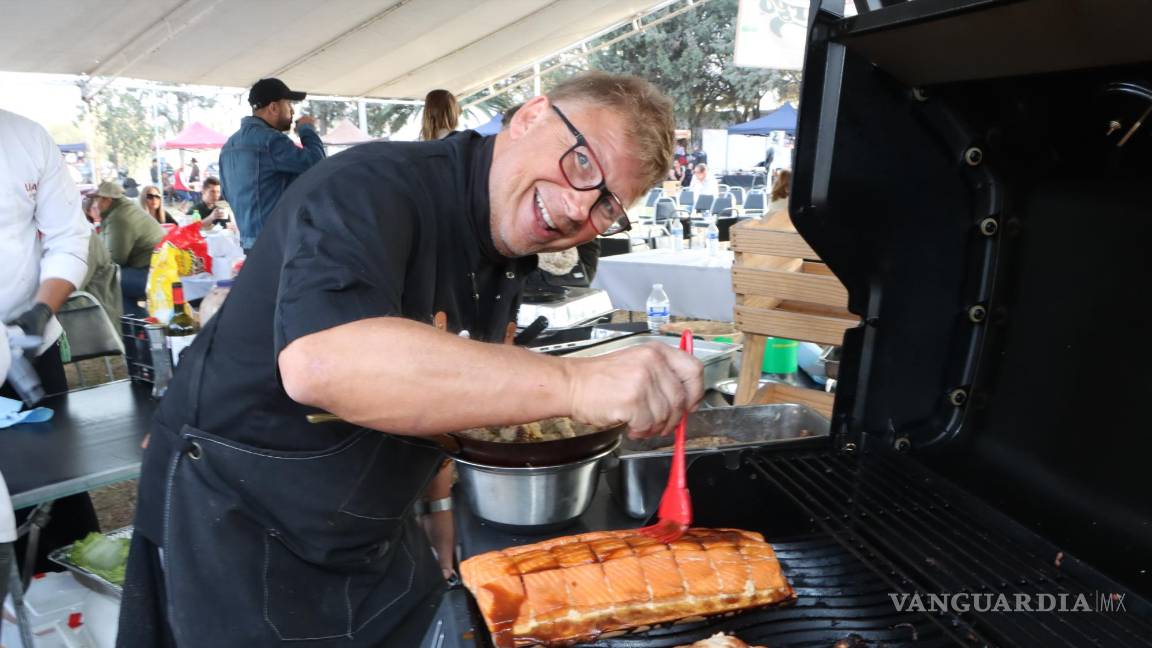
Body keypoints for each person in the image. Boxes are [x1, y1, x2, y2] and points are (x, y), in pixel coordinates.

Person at [117, 71, 703, 647]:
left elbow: (452, 378)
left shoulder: (506, 235)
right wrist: (575, 384)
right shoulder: (372, 186)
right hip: (239, 530)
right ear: (530, 117)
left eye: (607, 205)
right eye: (582, 164)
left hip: (371, 531)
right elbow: (324, 363)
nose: (581, 210)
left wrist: (439, 508)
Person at [0, 108, 101, 573]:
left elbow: (69, 236)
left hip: (31, 349)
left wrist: (41, 310)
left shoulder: (26, 137)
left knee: (58, 495)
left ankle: (69, 608)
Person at [219, 77, 326, 252]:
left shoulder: (228, 147)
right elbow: (317, 164)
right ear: (274, 107)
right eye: (288, 104)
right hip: (278, 243)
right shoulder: (270, 140)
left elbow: (227, 194)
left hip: (249, 243)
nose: (292, 110)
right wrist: (306, 130)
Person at [93, 180, 165, 317]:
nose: (95, 204)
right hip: (155, 270)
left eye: (97, 199)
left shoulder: (120, 217)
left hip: (152, 274)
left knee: (106, 281)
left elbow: (115, 259)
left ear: (107, 200)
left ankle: (140, 327)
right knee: (114, 285)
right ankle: (136, 326)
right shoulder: (124, 210)